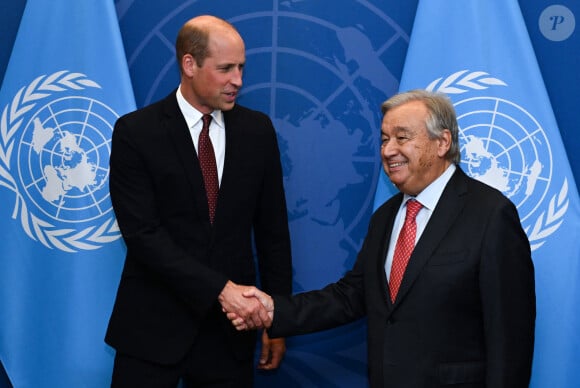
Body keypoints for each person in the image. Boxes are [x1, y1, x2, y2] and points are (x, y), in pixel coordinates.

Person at [232, 90, 536, 387]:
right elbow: (352, 296)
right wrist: (273, 309)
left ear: (442, 142)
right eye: (384, 139)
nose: (388, 150)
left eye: (402, 138)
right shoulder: (386, 216)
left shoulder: (490, 214)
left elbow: (510, 340)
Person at [105, 15, 292, 387]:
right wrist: (222, 290)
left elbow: (273, 231)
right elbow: (143, 235)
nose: (237, 80)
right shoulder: (136, 132)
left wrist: (278, 317)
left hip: (230, 336)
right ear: (189, 64)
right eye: (225, 68)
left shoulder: (257, 131)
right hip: (152, 330)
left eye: (241, 68)